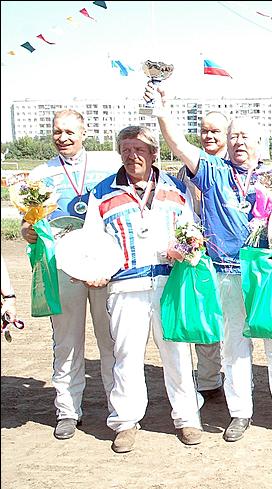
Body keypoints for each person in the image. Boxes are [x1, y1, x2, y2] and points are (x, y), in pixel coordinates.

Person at [151, 83, 272, 443]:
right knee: (234, 347)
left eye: (245, 137)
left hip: (268, 273)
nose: (238, 142)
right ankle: (240, 412)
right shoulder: (213, 170)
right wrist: (162, 111)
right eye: (233, 136)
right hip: (226, 273)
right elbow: (178, 145)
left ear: (260, 143)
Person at [81, 126, 203, 453]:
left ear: (153, 154)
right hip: (125, 285)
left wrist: (187, 248)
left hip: (168, 282)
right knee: (127, 355)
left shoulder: (175, 188)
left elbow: (191, 231)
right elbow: (91, 240)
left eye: (139, 149)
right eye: (126, 149)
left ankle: (188, 418)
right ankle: (125, 421)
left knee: (177, 352)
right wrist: (93, 270)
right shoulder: (102, 192)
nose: (132, 155)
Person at [19, 109, 116, 441]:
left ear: (84, 132)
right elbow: (29, 223)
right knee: (67, 342)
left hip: (102, 265)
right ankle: (67, 411)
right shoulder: (40, 174)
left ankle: (118, 409)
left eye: (70, 131)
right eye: (57, 131)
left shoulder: (109, 166)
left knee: (111, 341)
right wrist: (28, 232)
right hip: (62, 266)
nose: (63, 137)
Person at [177, 111, 230, 401]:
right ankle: (209, 381)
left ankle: (236, 380)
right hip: (197, 253)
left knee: (233, 321)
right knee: (204, 316)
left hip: (229, 256)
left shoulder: (235, 168)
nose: (209, 136)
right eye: (204, 130)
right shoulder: (184, 170)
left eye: (215, 131)